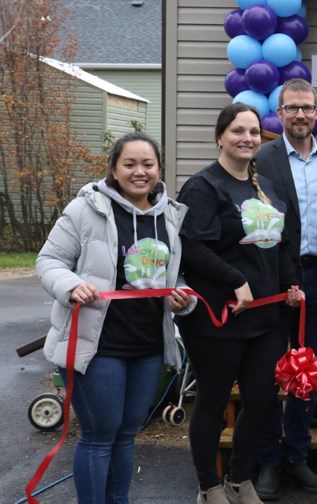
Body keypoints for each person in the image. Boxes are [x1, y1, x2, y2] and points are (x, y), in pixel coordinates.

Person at [36, 132, 193, 504]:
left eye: (148, 164)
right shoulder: (85, 209)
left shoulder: (170, 215)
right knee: (99, 434)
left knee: (126, 433)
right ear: (113, 169)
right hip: (97, 345)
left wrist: (181, 300)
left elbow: (174, 276)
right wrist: (71, 285)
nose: (140, 172)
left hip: (148, 346)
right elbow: (48, 261)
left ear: (159, 169)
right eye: (130, 164)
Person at [176, 103, 302, 504]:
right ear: (220, 137)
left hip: (265, 315)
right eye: (237, 131)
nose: (247, 139)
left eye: (253, 132)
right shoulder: (203, 187)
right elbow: (191, 246)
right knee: (212, 401)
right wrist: (236, 280)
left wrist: (291, 284)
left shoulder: (263, 188)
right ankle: (208, 486)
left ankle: (239, 479)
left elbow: (280, 245)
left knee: (262, 400)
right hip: (217, 317)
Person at [255, 78, 317, 500]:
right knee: (271, 370)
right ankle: (269, 462)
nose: (300, 115)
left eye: (307, 107)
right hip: (274, 280)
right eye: (291, 108)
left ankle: (298, 457)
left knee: (308, 373)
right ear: (279, 113)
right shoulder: (263, 158)